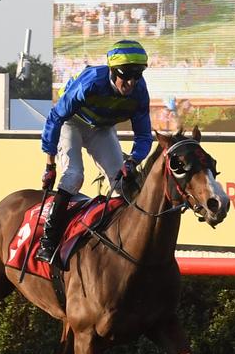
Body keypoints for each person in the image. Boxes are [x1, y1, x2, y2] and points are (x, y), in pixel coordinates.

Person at [35, 39, 153, 263]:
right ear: (112, 70)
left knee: (121, 182)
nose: (131, 82)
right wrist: (49, 165)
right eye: (125, 75)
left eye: (137, 75)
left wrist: (132, 161)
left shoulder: (140, 91)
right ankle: (48, 241)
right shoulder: (91, 82)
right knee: (74, 176)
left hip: (102, 128)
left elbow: (144, 136)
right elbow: (56, 117)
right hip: (71, 122)